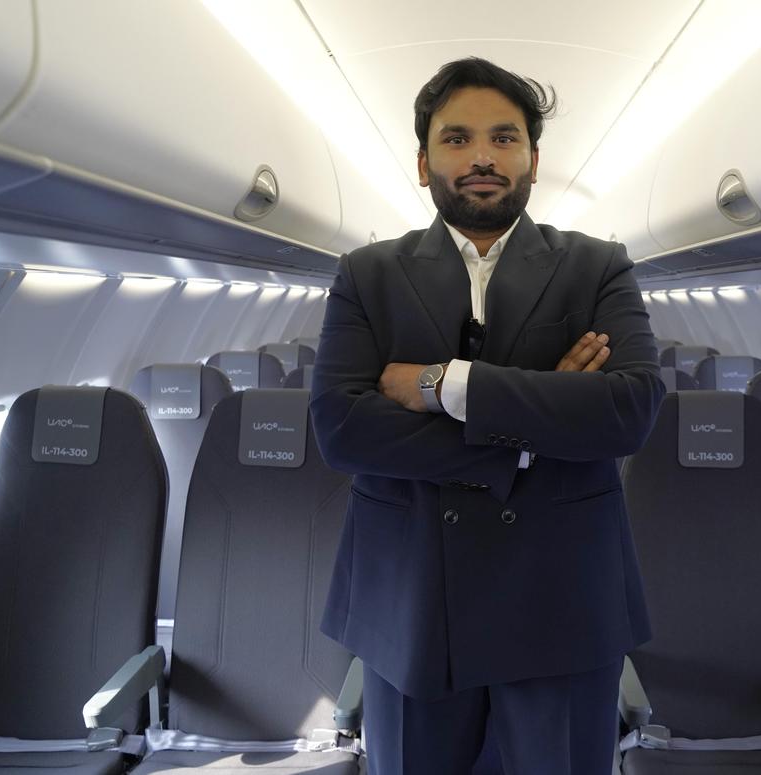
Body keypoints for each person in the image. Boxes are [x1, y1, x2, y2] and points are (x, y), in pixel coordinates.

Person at [311, 57, 663, 775]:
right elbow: (344, 428)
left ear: (535, 160)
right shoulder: (366, 275)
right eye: (457, 138)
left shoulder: (597, 267)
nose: (481, 157)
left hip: (560, 600)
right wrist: (531, 435)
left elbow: (627, 412)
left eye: (504, 139)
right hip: (408, 603)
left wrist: (446, 384)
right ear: (423, 161)